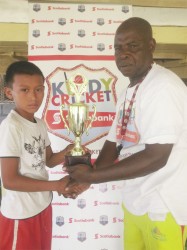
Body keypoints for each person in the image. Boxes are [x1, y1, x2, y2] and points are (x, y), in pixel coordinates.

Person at [65, 17, 187, 250]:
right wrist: (83, 181)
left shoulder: (163, 87)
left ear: (151, 46)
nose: (123, 54)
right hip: (135, 203)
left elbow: (157, 156)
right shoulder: (128, 91)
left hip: (163, 207)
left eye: (133, 46)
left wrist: (91, 176)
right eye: (118, 48)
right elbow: (114, 143)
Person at [0, 61, 80, 250]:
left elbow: (49, 161)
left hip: (42, 207)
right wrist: (57, 185)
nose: (33, 97)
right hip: (20, 215)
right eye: (24, 90)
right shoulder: (11, 127)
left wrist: (68, 150)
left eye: (38, 89)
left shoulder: (39, 123)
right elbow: (10, 180)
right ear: (9, 93)